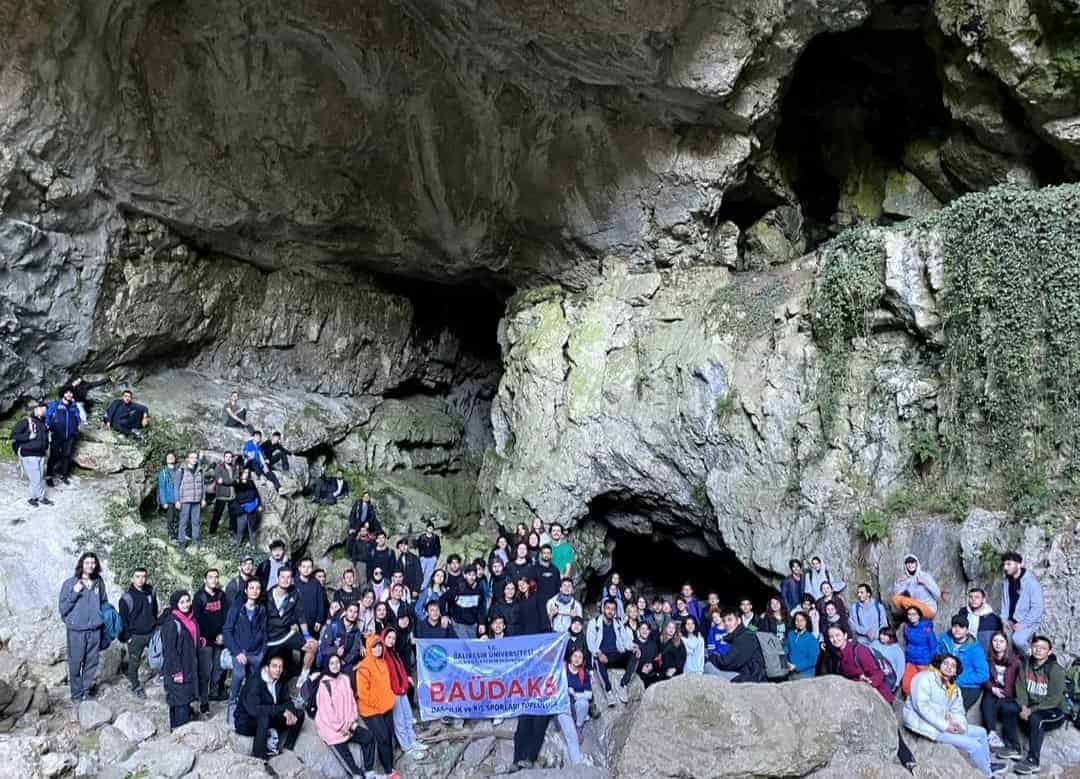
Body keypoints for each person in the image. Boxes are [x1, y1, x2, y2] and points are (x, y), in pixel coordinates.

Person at [903, 654, 1004, 777]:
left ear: (956, 671)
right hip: (928, 725)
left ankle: (987, 764)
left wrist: (960, 726)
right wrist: (946, 726)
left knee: (981, 732)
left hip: (943, 723)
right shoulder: (925, 677)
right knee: (975, 746)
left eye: (953, 666)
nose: (949, 667)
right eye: (946, 663)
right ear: (939, 664)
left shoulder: (953, 688)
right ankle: (988, 775)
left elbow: (957, 711)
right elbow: (921, 707)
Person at [1009, 635, 1068, 774]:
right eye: (1036, 647)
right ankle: (1013, 747)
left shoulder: (1056, 670)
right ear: (1031, 648)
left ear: (1049, 651)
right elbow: (1020, 689)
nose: (1038, 650)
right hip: (1030, 707)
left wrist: (1030, 710)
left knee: (1037, 718)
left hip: (1053, 710)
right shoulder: (1026, 665)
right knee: (1008, 707)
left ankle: (1033, 760)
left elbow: (1054, 699)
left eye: (1043, 648)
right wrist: (1023, 706)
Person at [315, 653, 377, 776]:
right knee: (347, 759)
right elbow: (328, 713)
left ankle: (369, 772)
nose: (335, 666)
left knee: (369, 737)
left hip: (348, 724)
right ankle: (357, 774)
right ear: (327, 665)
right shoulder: (324, 685)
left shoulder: (344, 678)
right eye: (332, 663)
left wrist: (351, 722)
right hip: (332, 728)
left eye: (337, 662)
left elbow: (352, 702)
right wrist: (343, 727)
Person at [58, 552, 108, 705]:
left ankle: (85, 693)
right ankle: (76, 695)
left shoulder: (98, 582)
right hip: (77, 631)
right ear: (81, 564)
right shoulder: (69, 583)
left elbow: (104, 602)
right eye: (87, 563)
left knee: (91, 663)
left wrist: (103, 619)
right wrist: (75, 592)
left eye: (93, 563)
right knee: (75, 663)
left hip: (95, 630)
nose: (90, 566)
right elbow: (63, 608)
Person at [236, 655, 305, 760]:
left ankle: (287, 748)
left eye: (280, 667)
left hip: (270, 715)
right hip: (247, 721)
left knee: (299, 713)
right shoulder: (255, 682)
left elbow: (288, 702)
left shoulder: (280, 679)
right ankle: (259, 758)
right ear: (267, 667)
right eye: (274, 666)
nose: (278, 670)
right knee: (264, 717)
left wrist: (289, 712)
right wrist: (282, 710)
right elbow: (255, 710)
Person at [264, 567, 319, 696]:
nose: (286, 580)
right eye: (283, 577)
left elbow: (300, 616)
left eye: (289, 577)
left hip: (286, 634)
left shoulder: (294, 593)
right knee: (268, 668)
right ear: (277, 578)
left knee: (313, 646)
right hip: (270, 638)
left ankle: (302, 680)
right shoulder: (266, 596)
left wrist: (307, 636)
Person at [223, 578, 267, 724]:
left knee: (254, 681)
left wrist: (262, 652)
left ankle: (247, 707)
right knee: (239, 674)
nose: (255, 591)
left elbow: (265, 632)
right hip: (240, 651)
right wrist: (237, 652)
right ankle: (232, 703)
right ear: (246, 590)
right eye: (251, 588)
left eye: (258, 588)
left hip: (256, 652)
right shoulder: (236, 609)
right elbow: (227, 631)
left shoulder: (261, 610)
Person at [383, 627, 427, 761]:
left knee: (408, 717)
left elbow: (400, 669)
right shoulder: (383, 655)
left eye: (393, 638)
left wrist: (404, 684)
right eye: (389, 637)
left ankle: (412, 741)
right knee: (399, 721)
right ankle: (407, 748)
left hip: (401, 689)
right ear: (384, 638)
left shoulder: (394, 653)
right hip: (393, 692)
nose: (391, 640)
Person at [355, 634, 396, 776]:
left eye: (379, 646)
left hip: (386, 705)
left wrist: (390, 698)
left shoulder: (383, 662)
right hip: (370, 709)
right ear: (369, 648)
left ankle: (391, 766)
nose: (378, 649)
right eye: (374, 647)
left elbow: (387, 685)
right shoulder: (363, 667)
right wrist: (379, 704)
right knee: (383, 737)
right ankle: (389, 771)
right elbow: (363, 694)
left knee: (389, 735)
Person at [161, 590, 202, 730]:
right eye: (182, 602)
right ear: (175, 604)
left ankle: (175, 729)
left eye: (187, 601)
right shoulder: (172, 623)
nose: (186, 604)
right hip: (178, 669)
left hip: (188, 666)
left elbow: (190, 638)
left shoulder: (190, 618)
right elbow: (170, 650)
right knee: (181, 701)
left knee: (179, 700)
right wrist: (177, 672)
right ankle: (180, 732)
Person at [587, 599, 639, 704]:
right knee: (597, 660)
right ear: (603, 609)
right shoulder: (594, 623)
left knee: (635, 655)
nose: (610, 611)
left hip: (616, 654)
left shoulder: (618, 623)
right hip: (603, 655)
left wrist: (634, 646)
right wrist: (599, 653)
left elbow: (625, 641)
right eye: (608, 608)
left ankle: (623, 685)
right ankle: (608, 691)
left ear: (615, 611)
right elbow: (590, 642)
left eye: (613, 609)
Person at [119, 567, 159, 699]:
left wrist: (155, 625)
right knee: (134, 662)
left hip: (151, 633)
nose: (141, 579)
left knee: (163, 654)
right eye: (137, 576)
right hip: (135, 636)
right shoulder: (126, 598)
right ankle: (135, 686)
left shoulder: (150, 592)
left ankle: (162, 677)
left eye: (143, 576)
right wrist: (128, 637)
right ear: (132, 579)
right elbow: (123, 620)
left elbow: (154, 610)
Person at [937, 615, 990, 711]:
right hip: (945, 680)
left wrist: (958, 680)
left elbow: (984, 674)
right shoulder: (944, 640)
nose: (957, 630)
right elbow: (937, 658)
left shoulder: (975, 649)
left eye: (961, 627)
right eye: (954, 626)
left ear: (967, 630)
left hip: (968, 686)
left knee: (954, 711)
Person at [982, 632, 1021, 759]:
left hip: (1010, 694)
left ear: (1006, 644)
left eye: (1001, 641)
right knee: (988, 698)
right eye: (995, 641)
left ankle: (1013, 746)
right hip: (995, 690)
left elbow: (1019, 682)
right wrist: (992, 688)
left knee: (1005, 707)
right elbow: (984, 676)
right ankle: (992, 733)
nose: (998, 644)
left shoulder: (1015, 661)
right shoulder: (988, 659)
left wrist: (1007, 693)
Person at [193, 569, 229, 712]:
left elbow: (226, 615)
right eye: (210, 577)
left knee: (218, 668)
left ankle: (214, 693)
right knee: (205, 671)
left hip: (220, 639)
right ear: (205, 580)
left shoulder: (221, 595)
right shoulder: (199, 597)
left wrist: (222, 634)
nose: (214, 580)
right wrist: (214, 636)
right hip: (206, 640)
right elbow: (199, 620)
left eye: (216, 577)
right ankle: (203, 700)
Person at [1001, 552, 1044, 656]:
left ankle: (1032, 657)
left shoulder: (1031, 583)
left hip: (1029, 621)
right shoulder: (1006, 582)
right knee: (1004, 643)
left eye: (1009, 564)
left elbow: (1037, 608)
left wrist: (1023, 624)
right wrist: (1004, 620)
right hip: (1010, 621)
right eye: (1004, 564)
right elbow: (1004, 603)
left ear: (1019, 564)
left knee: (1018, 640)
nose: (1005, 567)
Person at [708, 610, 766, 683]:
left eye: (730, 620)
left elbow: (726, 662)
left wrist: (711, 657)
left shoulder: (744, 637)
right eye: (724, 621)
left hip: (753, 677)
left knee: (708, 667)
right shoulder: (741, 634)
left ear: (738, 621)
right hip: (749, 672)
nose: (726, 623)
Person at [12, 400, 51, 506]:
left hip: (40, 454)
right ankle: (41, 497)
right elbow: (14, 435)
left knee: (38, 477)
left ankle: (33, 497)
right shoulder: (26, 421)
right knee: (36, 478)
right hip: (29, 453)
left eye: (44, 410)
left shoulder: (43, 423)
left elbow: (44, 439)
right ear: (35, 409)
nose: (42, 412)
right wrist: (28, 437)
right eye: (41, 409)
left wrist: (46, 448)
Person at [558, 647, 592, 765]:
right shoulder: (562, 669)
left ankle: (578, 726)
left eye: (580, 657)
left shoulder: (583, 673)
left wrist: (575, 694)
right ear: (570, 657)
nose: (577, 659)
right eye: (575, 656)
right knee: (571, 735)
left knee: (584, 703)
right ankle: (577, 765)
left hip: (576, 703)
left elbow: (589, 694)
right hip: (562, 704)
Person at [316, 601, 365, 678]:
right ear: (345, 612)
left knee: (350, 676)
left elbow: (354, 652)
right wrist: (336, 650)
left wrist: (344, 661)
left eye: (355, 612)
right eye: (350, 611)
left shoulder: (356, 631)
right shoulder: (334, 626)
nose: (352, 614)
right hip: (330, 661)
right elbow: (323, 648)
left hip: (344, 662)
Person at [46, 388, 82, 486]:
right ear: (63, 394)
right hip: (57, 434)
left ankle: (64, 475)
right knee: (54, 455)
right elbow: (48, 416)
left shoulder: (74, 406)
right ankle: (49, 475)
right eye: (67, 392)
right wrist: (49, 426)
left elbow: (78, 418)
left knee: (66, 456)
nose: (69, 394)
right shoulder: (56, 404)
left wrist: (76, 428)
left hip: (69, 436)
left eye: (71, 393)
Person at [902, 605, 937, 696]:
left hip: (923, 662)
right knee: (906, 685)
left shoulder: (926, 628)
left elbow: (933, 646)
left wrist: (929, 660)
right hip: (911, 660)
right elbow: (907, 642)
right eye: (909, 614)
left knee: (923, 686)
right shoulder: (907, 627)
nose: (911, 617)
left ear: (919, 615)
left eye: (914, 614)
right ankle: (909, 701)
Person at [891, 554, 941, 619]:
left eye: (912, 562)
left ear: (916, 563)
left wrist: (925, 583)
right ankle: (911, 617)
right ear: (905, 565)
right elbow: (897, 595)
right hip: (916, 607)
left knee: (905, 601)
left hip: (929, 608)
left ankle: (912, 618)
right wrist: (898, 583)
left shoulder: (924, 576)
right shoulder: (907, 579)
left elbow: (938, 594)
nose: (910, 565)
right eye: (908, 563)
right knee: (895, 599)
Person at [174, 450, 206, 550]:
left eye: (195, 458)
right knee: (183, 522)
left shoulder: (200, 470)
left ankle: (195, 541)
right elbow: (176, 486)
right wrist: (177, 500)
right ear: (187, 459)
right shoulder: (181, 470)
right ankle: (182, 543)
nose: (194, 459)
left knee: (196, 522)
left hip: (197, 501)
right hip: (185, 500)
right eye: (192, 457)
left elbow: (203, 485)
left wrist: (203, 499)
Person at [956, 587, 1005, 652]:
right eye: (971, 597)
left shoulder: (994, 619)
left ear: (983, 600)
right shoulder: (963, 613)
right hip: (963, 651)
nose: (973, 599)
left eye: (977, 597)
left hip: (984, 653)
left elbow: (998, 642)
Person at [448, 565, 486, 639]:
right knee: (464, 644)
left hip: (472, 624)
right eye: (469, 575)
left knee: (472, 644)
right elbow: (444, 599)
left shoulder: (479, 588)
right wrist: (445, 615)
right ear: (464, 575)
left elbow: (481, 607)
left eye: (473, 575)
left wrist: (481, 622)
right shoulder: (457, 587)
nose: (472, 577)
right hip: (459, 623)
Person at [294, 558, 328, 639]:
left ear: (312, 569)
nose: (306, 569)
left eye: (309, 567)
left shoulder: (316, 583)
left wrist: (319, 620)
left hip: (313, 623)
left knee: (313, 644)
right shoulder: (294, 582)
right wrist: (293, 622)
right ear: (299, 568)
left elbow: (320, 603)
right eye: (304, 567)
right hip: (297, 623)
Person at [209, 451, 239, 536]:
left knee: (233, 515)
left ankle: (233, 531)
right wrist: (232, 481)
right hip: (222, 495)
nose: (228, 458)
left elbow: (237, 479)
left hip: (232, 495)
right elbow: (219, 480)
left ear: (232, 458)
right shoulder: (219, 467)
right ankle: (212, 532)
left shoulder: (235, 467)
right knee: (217, 514)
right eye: (227, 457)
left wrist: (226, 481)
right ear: (224, 458)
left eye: (230, 457)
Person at [232, 469, 262, 547]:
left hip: (252, 509)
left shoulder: (251, 482)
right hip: (242, 509)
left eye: (247, 473)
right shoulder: (237, 483)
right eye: (245, 472)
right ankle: (237, 545)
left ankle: (253, 546)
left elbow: (257, 494)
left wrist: (259, 505)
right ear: (241, 473)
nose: (246, 474)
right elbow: (234, 487)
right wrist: (240, 481)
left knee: (252, 529)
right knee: (240, 529)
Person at [786, 611, 820, 679]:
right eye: (797, 620)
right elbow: (786, 649)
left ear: (806, 622)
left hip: (806, 674)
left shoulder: (811, 638)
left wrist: (796, 666)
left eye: (802, 620)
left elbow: (812, 661)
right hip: (790, 672)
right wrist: (785, 663)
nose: (799, 622)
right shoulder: (790, 634)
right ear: (794, 622)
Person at [872, 627, 906, 693]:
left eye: (885, 635)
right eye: (881, 634)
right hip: (874, 674)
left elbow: (900, 668)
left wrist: (896, 683)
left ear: (891, 637)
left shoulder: (897, 650)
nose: (881, 636)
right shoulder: (875, 643)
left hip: (888, 678)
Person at [156, 452, 181, 541]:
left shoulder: (179, 471)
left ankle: (178, 534)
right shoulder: (163, 473)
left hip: (178, 499)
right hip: (169, 500)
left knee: (179, 517)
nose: (170, 458)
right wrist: (163, 502)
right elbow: (161, 488)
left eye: (172, 456)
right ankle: (171, 535)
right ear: (166, 460)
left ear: (175, 459)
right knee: (170, 518)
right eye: (168, 457)